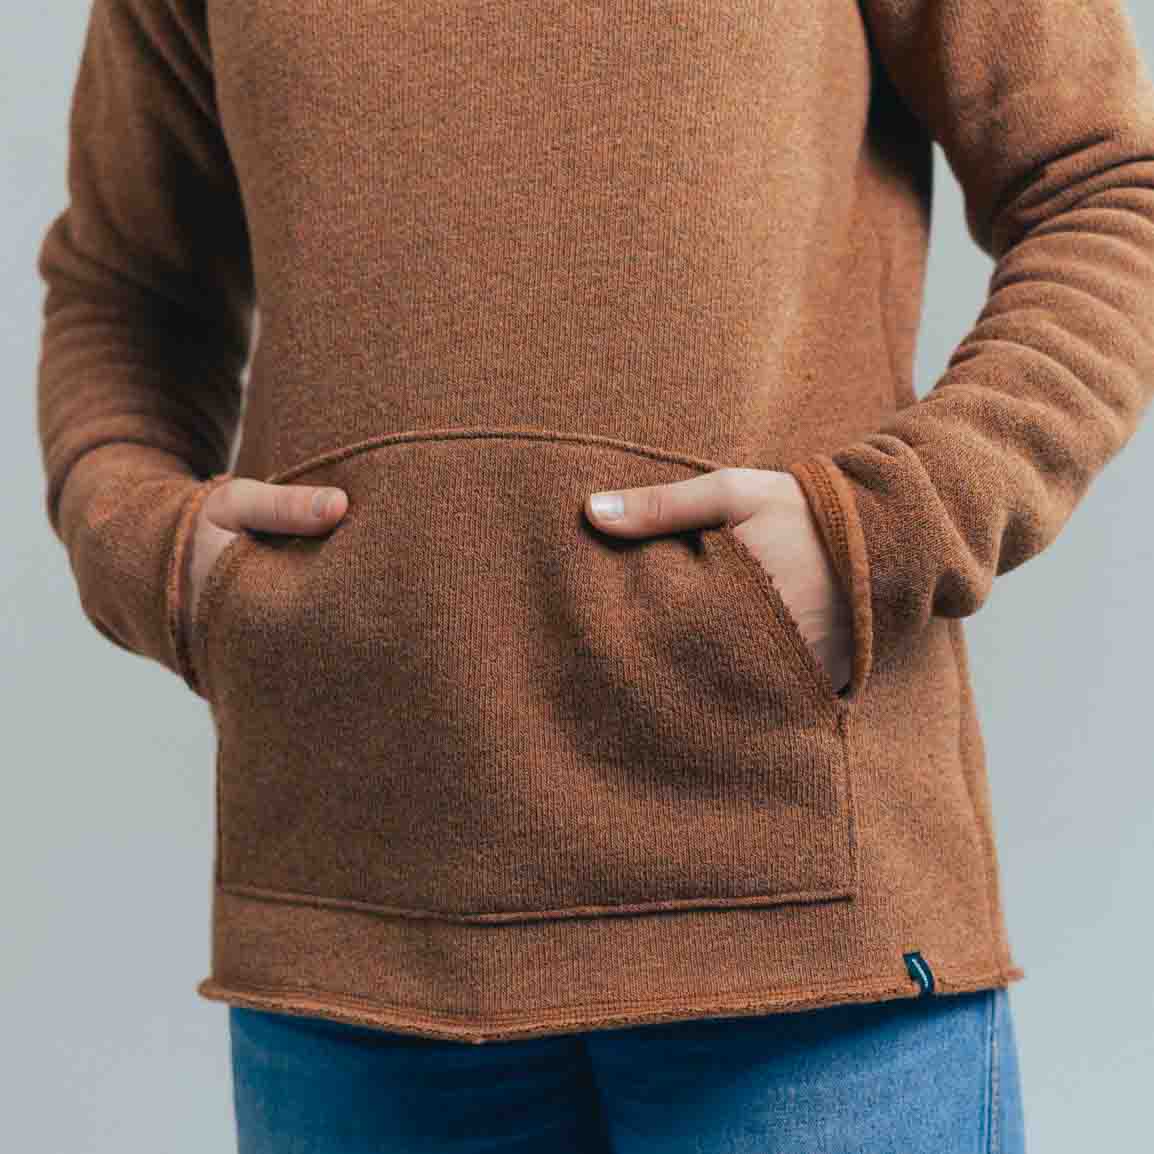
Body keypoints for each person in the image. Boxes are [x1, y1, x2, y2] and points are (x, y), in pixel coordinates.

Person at [36, 0, 1154, 1148]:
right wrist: (153, 551)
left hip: (798, 916)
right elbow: (125, 288)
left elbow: (1105, 189)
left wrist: (889, 522)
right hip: (351, 909)